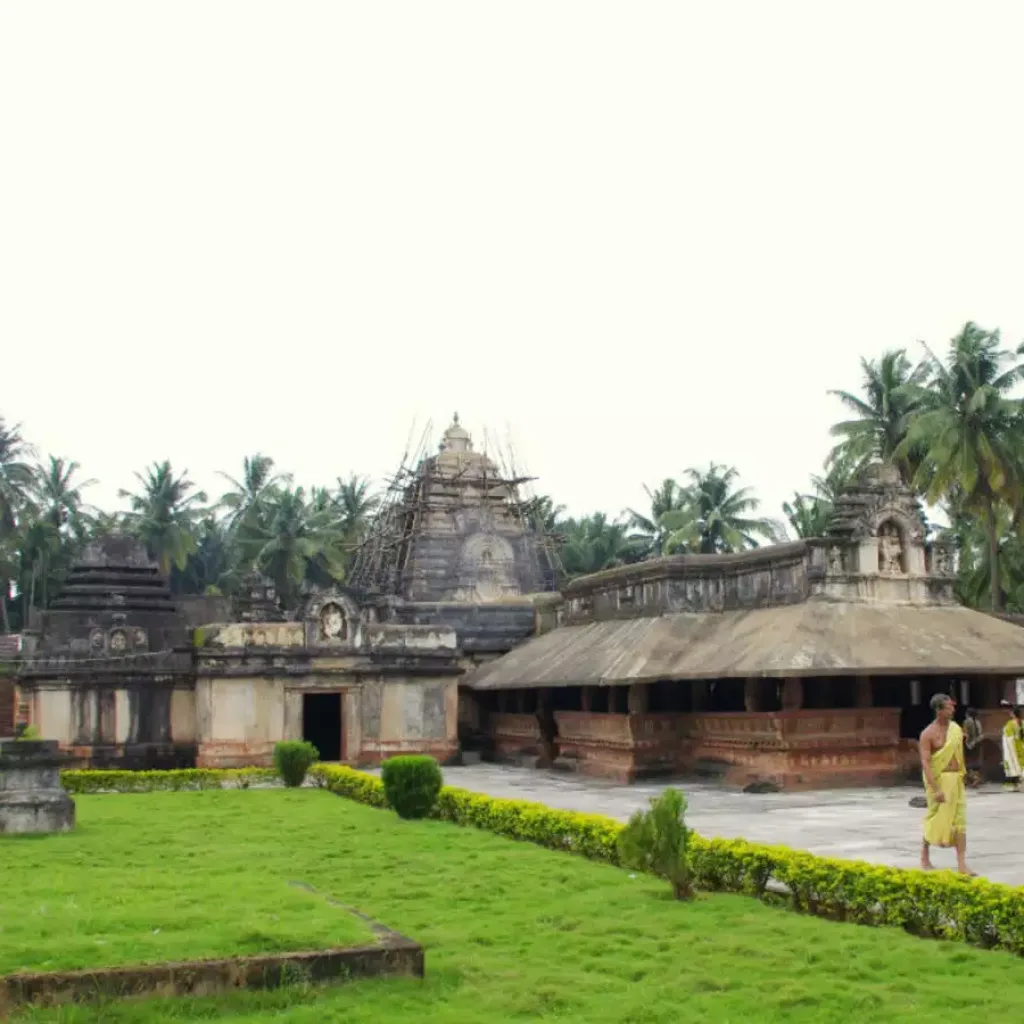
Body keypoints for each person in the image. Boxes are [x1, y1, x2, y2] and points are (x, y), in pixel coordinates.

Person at [919, 693, 974, 875]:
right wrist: (935, 789)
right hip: (938, 780)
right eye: (949, 707)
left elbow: (959, 754)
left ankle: (961, 864)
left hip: (955, 779)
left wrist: (964, 774)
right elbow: (926, 763)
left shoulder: (955, 729)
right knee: (934, 817)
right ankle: (924, 855)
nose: (953, 709)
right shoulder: (927, 734)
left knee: (960, 821)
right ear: (938, 710)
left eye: (952, 706)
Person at [1001, 702, 1024, 792]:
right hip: (1022, 747)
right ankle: (1020, 784)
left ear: (1013, 714)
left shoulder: (1010, 724)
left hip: (1013, 748)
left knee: (1012, 765)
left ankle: (1014, 785)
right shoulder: (1022, 723)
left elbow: (1008, 737)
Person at [962, 707, 983, 788]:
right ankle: (972, 779)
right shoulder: (978, 722)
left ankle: (973, 778)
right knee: (975, 762)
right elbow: (980, 733)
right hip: (977, 743)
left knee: (966, 762)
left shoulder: (966, 722)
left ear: (968, 714)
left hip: (968, 744)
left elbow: (966, 734)